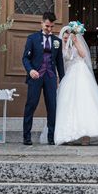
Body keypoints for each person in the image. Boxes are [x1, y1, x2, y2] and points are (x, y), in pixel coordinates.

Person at [54, 23, 98, 146]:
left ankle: (86, 135)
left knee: (84, 102)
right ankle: (69, 135)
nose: (65, 38)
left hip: (80, 74)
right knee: (69, 103)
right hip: (69, 76)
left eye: (67, 36)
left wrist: (75, 42)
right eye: (64, 37)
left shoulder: (75, 43)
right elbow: (61, 62)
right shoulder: (61, 47)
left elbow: (83, 55)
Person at [22, 11, 65, 145]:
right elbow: (25, 58)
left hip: (50, 77)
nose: (49, 29)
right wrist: (30, 70)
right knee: (31, 105)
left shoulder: (57, 41)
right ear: (42, 23)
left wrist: (63, 79)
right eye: (47, 26)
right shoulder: (32, 38)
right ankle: (26, 137)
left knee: (52, 107)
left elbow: (59, 62)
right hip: (36, 77)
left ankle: (51, 138)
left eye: (52, 27)